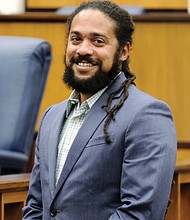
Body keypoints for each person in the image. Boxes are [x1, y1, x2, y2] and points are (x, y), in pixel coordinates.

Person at [22, 1, 177, 219]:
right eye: (75, 39)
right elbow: (36, 207)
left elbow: (140, 213)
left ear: (123, 51)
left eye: (98, 41)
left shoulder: (147, 114)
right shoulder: (51, 116)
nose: (83, 50)